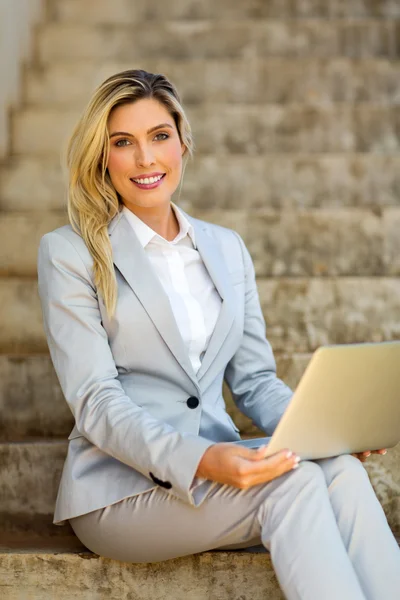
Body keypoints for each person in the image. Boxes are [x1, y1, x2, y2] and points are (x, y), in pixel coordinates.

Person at [37, 69, 400, 600]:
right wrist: (201, 460)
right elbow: (95, 401)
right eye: (123, 143)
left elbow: (254, 381)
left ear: (183, 142)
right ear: (102, 156)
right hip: (120, 491)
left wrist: (327, 431)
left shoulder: (227, 248)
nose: (145, 160)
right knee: (294, 484)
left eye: (159, 137)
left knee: (339, 467)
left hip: (217, 470)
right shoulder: (69, 253)